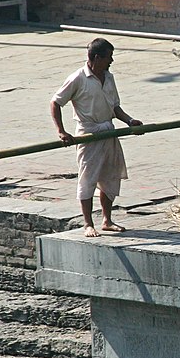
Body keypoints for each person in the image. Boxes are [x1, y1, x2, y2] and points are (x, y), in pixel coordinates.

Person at [50, 38, 143, 237]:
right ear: (97, 57)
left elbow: (115, 107)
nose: (111, 61)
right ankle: (87, 224)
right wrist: (61, 131)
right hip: (88, 133)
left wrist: (130, 121)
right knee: (88, 179)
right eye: (109, 57)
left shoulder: (108, 77)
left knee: (110, 177)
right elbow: (56, 102)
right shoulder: (78, 78)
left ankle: (107, 220)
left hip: (109, 131)